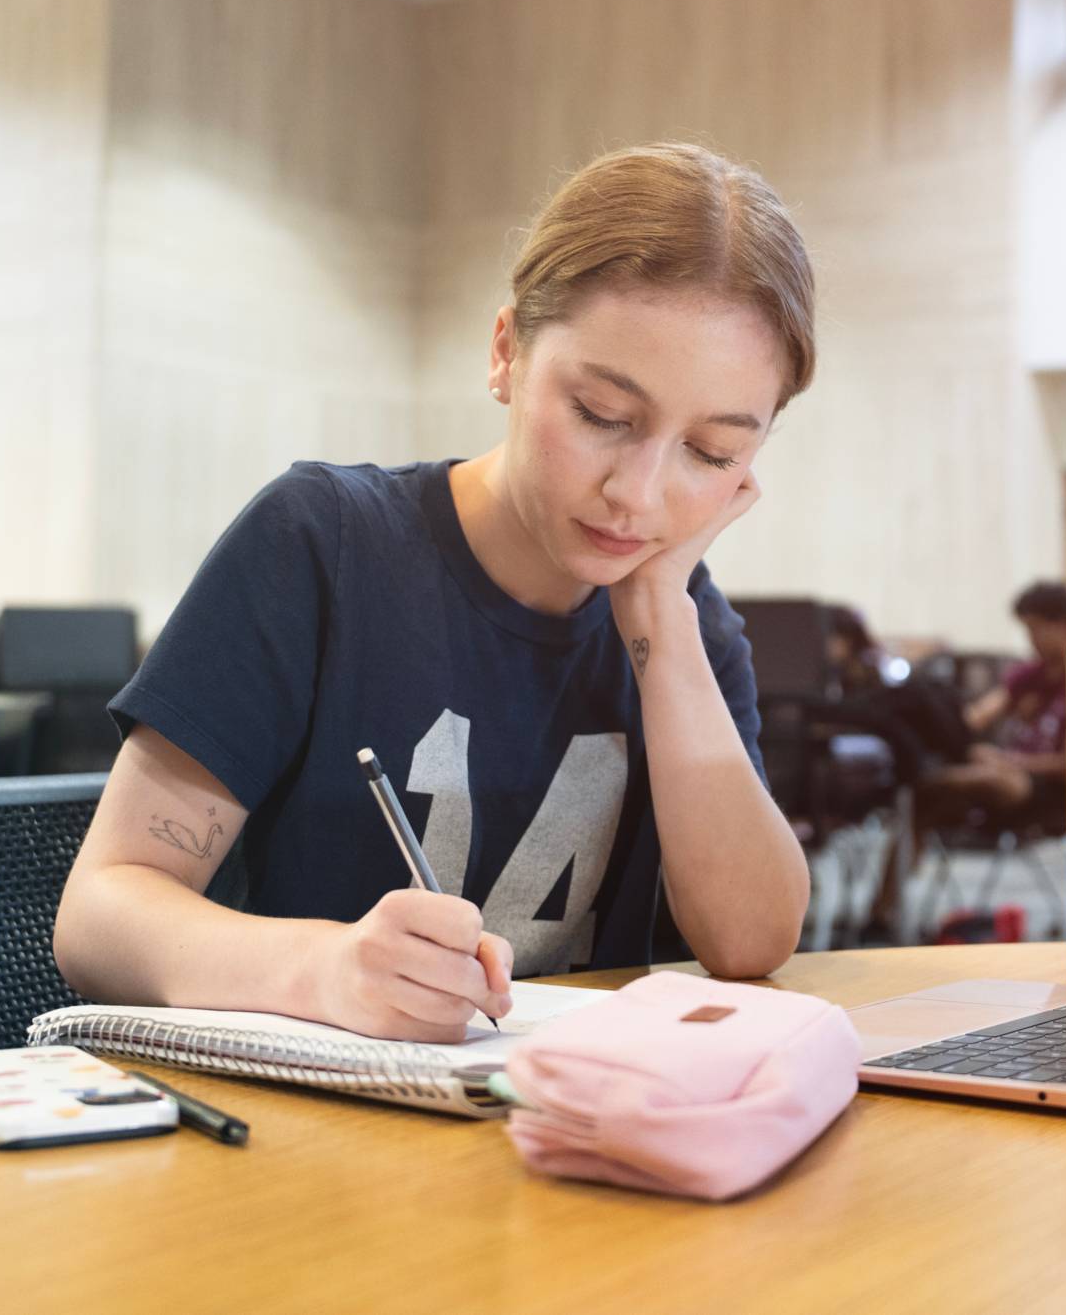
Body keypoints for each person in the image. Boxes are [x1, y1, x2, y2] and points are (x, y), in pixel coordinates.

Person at [55, 142, 816, 1041]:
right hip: (308, 1137)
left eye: (712, 454)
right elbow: (100, 914)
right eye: (603, 417)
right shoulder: (322, 544)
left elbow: (750, 941)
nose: (639, 496)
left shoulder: (684, 626)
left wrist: (659, 617)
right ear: (505, 353)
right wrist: (325, 969)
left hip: (558, 1138)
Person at [956, 580, 1066, 820]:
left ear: (1063, 625)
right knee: (930, 792)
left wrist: (1010, 761)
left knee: (1002, 780)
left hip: (1050, 789)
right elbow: (977, 716)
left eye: (1036, 628)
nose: (1031, 639)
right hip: (1011, 771)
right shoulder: (1029, 675)